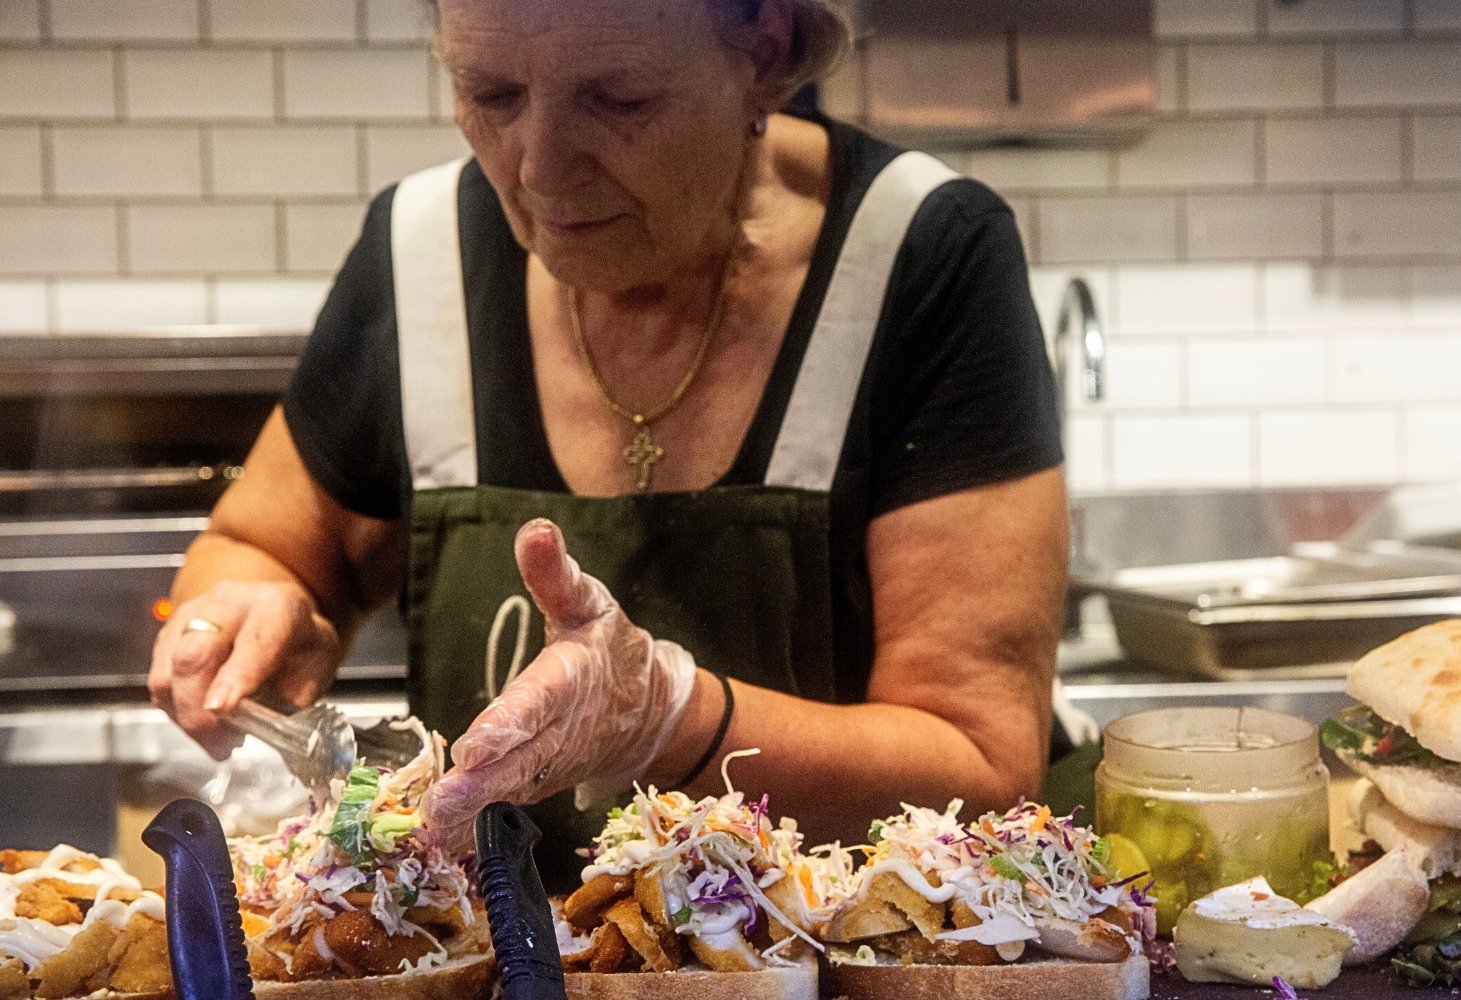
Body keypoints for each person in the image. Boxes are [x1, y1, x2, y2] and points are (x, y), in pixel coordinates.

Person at [148, 0, 1072, 888]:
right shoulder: (421, 251)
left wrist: (670, 722)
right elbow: (260, 553)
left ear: (762, 52)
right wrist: (247, 621)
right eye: (492, 94)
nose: (540, 169)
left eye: (619, 100)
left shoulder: (918, 257)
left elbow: (981, 768)